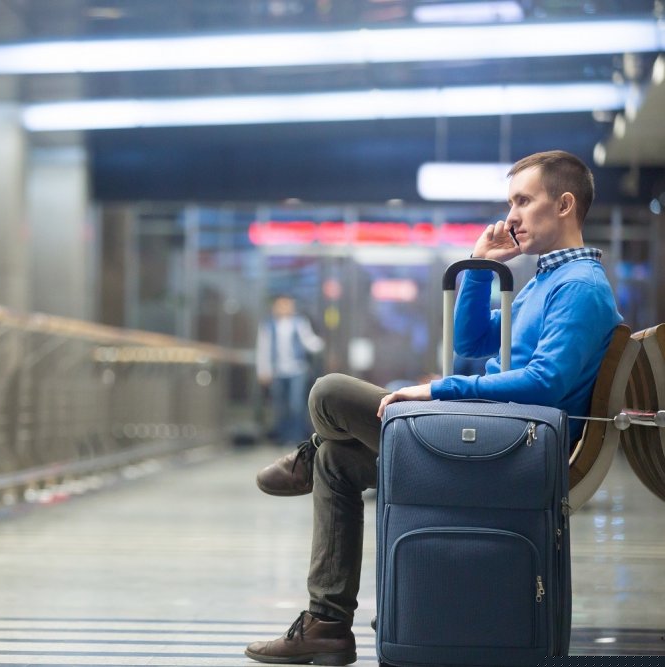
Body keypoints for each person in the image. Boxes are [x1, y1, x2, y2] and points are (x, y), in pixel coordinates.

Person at [246, 150, 622, 665]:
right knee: (338, 462)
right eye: (510, 203)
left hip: (513, 453)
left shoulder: (578, 287)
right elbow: (472, 341)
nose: (511, 216)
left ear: (564, 205)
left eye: (523, 201)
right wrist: (482, 266)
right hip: (499, 438)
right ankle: (327, 626)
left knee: (329, 393)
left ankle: (306, 455)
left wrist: (439, 391)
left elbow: (546, 383)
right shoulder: (544, 282)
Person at [256, 295, 326, 447]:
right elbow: (263, 349)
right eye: (280, 305)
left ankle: (296, 436)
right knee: (280, 405)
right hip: (277, 371)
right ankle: (282, 436)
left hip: (297, 369)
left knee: (296, 404)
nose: (284, 308)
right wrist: (263, 370)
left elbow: (309, 341)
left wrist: (321, 344)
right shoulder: (268, 325)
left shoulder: (299, 323)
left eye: (287, 304)